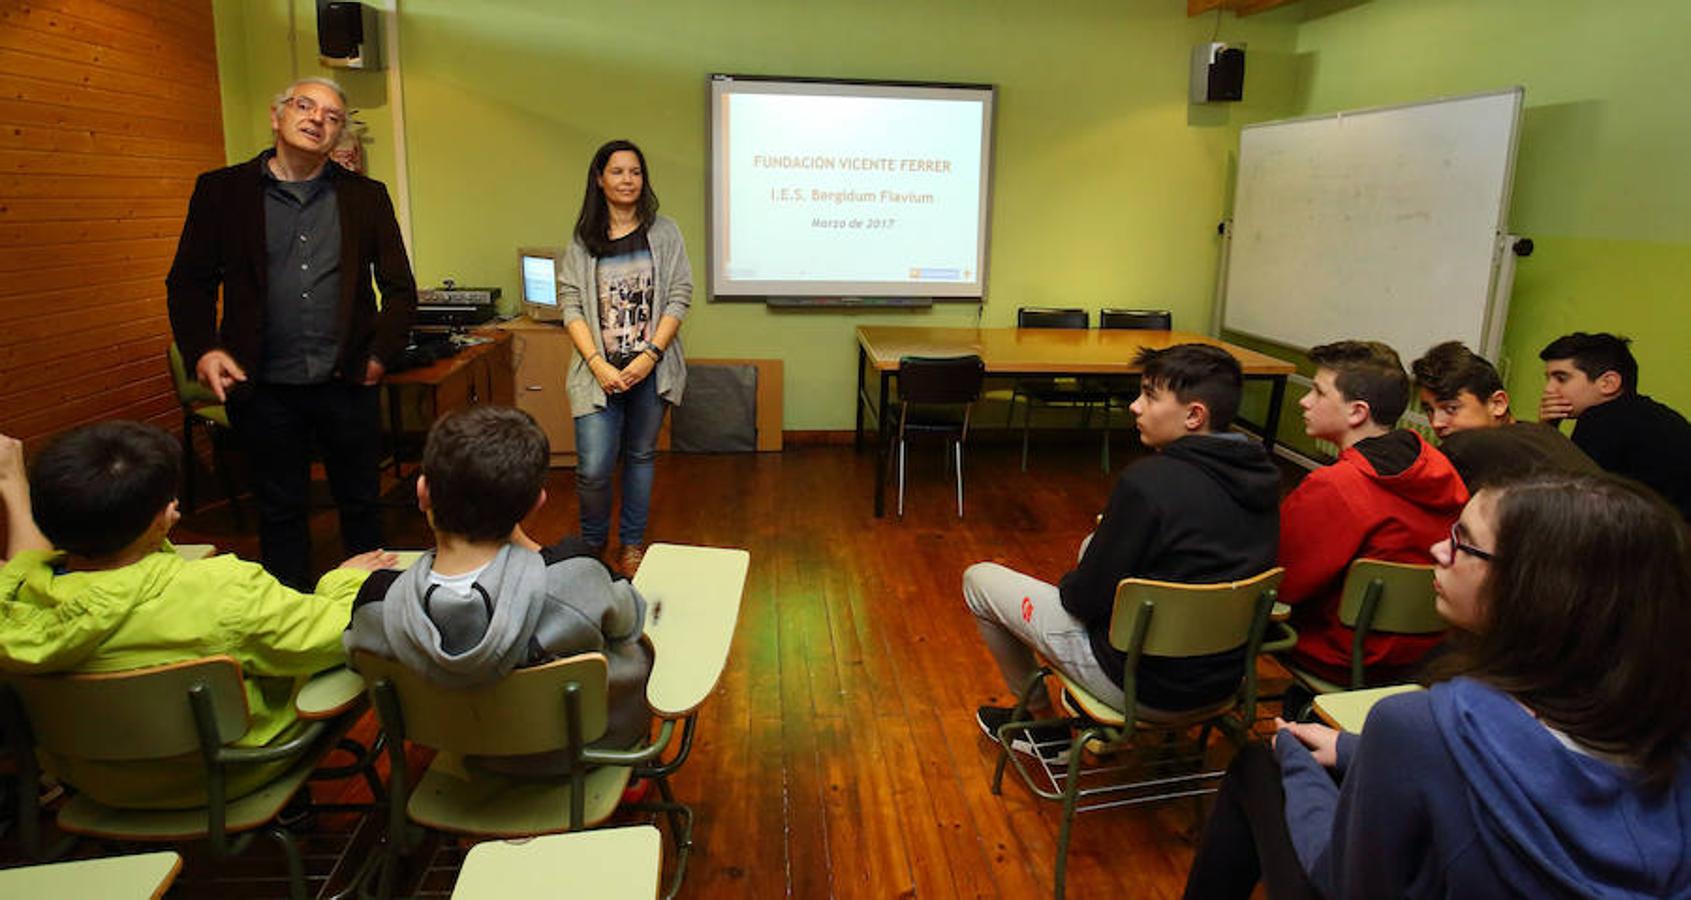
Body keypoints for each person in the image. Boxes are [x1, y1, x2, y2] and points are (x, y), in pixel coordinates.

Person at [1182, 472, 1691, 899]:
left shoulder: (1416, 727)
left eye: (1462, 542)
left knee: (1259, 763)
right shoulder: (1659, 715)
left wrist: (1293, 757)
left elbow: (1345, 884)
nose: (1435, 549)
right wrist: (1361, 751)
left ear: (1539, 589)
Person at [0, 423, 393, 808]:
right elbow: (332, 636)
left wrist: (13, 488)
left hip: (94, 785)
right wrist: (341, 583)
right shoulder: (222, 593)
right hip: (226, 777)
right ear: (163, 517)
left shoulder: (16, 603)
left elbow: (26, 565)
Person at [965, 344, 1280, 758]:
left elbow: (1079, 600)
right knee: (1091, 546)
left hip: (1141, 687)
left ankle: (1044, 727)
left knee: (979, 580)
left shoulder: (1149, 483)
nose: (1135, 407)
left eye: (1149, 395)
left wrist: (1081, 577)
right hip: (1223, 681)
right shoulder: (1264, 478)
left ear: (1194, 415)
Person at [166, 76, 417, 590]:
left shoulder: (366, 197)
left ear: (339, 135)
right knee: (280, 513)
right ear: (276, 116)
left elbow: (399, 290)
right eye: (305, 106)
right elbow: (188, 284)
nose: (317, 120)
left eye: (332, 116)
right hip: (262, 388)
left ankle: (372, 617)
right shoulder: (221, 192)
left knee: (362, 508)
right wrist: (204, 350)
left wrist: (378, 357)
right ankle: (291, 620)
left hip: (347, 381)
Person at [344, 406, 652, 768]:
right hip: (579, 762)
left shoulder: (377, 603)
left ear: (423, 490)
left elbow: (354, 657)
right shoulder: (576, 575)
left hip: (464, 764)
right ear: (537, 502)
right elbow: (630, 618)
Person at [1277, 341, 1467, 686]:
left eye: (1318, 392)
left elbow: (1283, 583)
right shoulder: (1439, 467)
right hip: (1430, 655)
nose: (1305, 400)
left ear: (1357, 412)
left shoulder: (1335, 486)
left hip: (1347, 656)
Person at [550, 139, 692, 575]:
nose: (627, 180)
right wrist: (597, 363)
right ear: (599, 178)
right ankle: (592, 547)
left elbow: (680, 295)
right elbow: (570, 303)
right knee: (593, 468)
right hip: (599, 372)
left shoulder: (664, 232)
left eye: (635, 171)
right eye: (617, 171)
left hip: (651, 369)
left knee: (640, 457)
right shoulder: (583, 239)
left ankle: (632, 544)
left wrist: (650, 355)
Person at [1538, 331, 1691, 519]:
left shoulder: (1601, 418)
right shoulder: (1656, 415)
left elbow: (1565, 502)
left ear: (1609, 383)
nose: (1549, 389)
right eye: (1548, 379)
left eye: (1561, 378)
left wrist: (1546, 431)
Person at [1409, 340, 1596, 489]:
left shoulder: (1465, 449)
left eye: (1451, 409)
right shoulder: (1538, 433)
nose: (1436, 423)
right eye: (1429, 410)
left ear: (1498, 404)